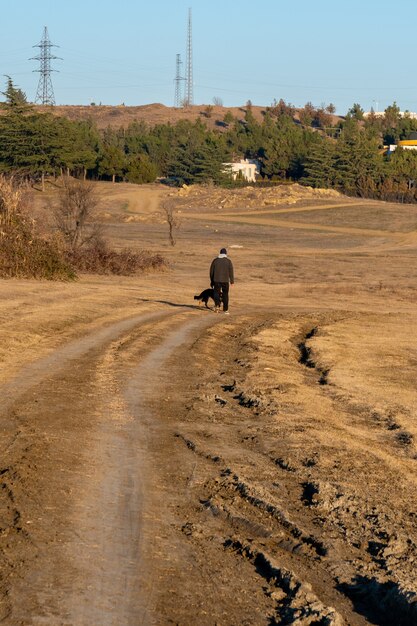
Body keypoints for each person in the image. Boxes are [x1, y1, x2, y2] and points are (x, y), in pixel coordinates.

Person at [209, 247, 234, 314]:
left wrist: (212, 280)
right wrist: (232, 281)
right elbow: (231, 271)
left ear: (220, 253)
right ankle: (226, 310)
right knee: (225, 294)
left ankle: (217, 306)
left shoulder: (215, 260)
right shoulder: (228, 261)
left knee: (216, 293)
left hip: (216, 280)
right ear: (226, 254)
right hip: (225, 281)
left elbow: (211, 271)